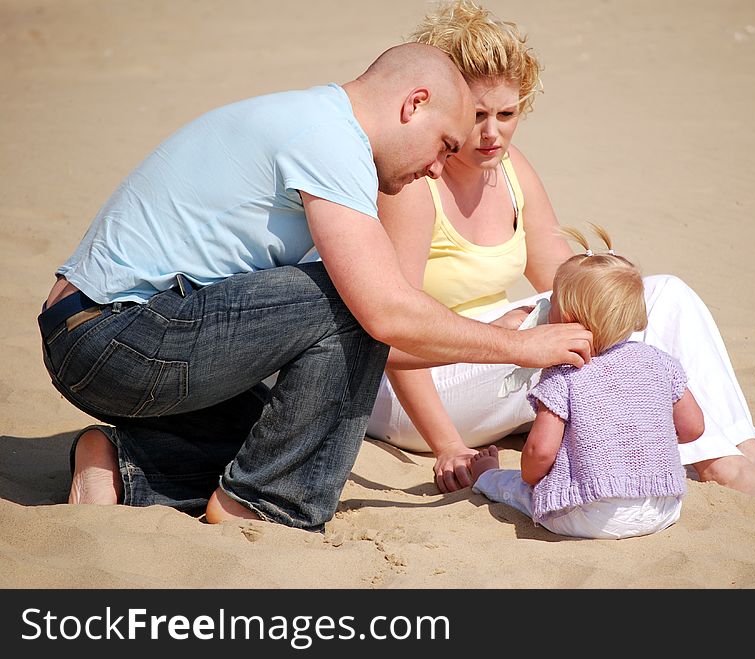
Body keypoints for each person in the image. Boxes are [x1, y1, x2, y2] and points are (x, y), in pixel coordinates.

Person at [37, 42, 594, 531]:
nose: (436, 169)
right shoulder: (330, 139)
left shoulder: (317, 120)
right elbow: (383, 314)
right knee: (357, 298)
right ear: (413, 104)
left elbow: (371, 337)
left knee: (299, 438)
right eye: (445, 145)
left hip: (102, 336)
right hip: (115, 335)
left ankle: (116, 466)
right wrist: (520, 345)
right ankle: (265, 506)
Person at [366, 0, 755, 498]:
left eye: (506, 114)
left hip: (496, 357)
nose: (493, 134)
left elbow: (564, 282)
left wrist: (618, 302)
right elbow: (393, 334)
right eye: (478, 116)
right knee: (557, 324)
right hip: (415, 392)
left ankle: (741, 444)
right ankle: (716, 463)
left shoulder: (511, 170)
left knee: (662, 295)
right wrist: (447, 445)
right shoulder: (416, 181)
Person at [470, 226, 705, 539]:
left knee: (517, 486)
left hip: (593, 513)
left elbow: (540, 452)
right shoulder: (658, 361)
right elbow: (693, 427)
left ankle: (484, 476)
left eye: (551, 301)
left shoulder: (565, 372)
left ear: (565, 317)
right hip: (664, 507)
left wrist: (531, 478)